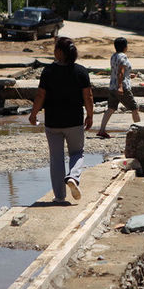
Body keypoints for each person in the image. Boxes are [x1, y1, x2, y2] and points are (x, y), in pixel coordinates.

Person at [29, 37, 93, 204]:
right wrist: (90, 115)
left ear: (59, 52)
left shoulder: (48, 71)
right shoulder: (81, 71)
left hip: (53, 122)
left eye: (55, 48)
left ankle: (59, 196)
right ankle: (73, 176)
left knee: (56, 158)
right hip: (74, 121)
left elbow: (40, 95)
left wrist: (33, 113)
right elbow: (88, 96)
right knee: (77, 153)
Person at [97, 37, 140, 139]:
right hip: (122, 87)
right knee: (135, 108)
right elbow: (120, 72)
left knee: (111, 108)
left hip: (112, 86)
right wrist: (120, 86)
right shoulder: (123, 57)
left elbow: (118, 72)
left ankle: (102, 130)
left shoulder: (113, 56)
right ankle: (140, 131)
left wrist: (129, 75)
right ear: (125, 47)